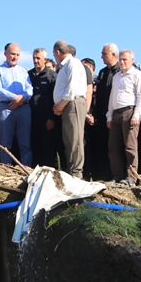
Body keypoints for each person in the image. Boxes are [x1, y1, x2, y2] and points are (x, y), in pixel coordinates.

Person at [106, 50, 141, 184]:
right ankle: (117, 175)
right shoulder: (117, 76)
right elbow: (112, 96)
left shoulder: (137, 75)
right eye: (121, 59)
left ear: (132, 60)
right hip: (116, 113)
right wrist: (109, 116)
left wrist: (137, 114)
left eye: (125, 59)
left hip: (130, 112)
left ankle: (131, 177)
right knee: (113, 146)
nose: (122, 62)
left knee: (130, 146)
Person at [0, 43, 33, 166]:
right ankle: (7, 170)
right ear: (5, 54)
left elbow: (29, 89)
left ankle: (26, 170)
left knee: (25, 142)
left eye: (17, 55)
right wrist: (14, 98)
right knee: (5, 143)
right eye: (12, 54)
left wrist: (22, 98)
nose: (15, 57)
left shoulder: (23, 71)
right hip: (5, 107)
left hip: (23, 107)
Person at [52, 40, 87, 178]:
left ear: (57, 52)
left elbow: (71, 88)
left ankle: (76, 172)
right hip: (66, 105)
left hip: (73, 103)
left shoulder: (73, 63)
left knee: (75, 138)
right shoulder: (64, 66)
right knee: (68, 139)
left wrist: (60, 105)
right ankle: (71, 169)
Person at [88, 44, 120, 181]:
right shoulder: (102, 72)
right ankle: (101, 175)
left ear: (113, 55)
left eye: (104, 54)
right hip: (100, 116)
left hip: (115, 116)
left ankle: (115, 175)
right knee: (99, 147)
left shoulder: (120, 72)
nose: (101, 56)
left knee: (114, 147)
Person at [28, 48, 61, 168]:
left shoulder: (52, 76)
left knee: (48, 149)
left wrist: (52, 118)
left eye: (38, 58)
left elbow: (56, 99)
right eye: (34, 58)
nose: (35, 61)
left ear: (45, 59)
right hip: (31, 118)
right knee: (34, 148)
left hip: (47, 119)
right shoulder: (29, 75)